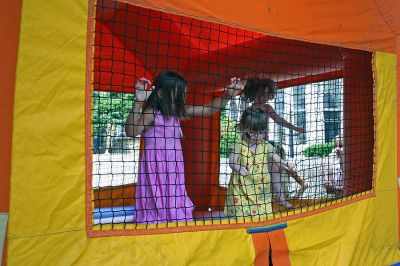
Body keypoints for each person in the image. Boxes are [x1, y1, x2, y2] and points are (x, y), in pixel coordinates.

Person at [125, 70, 244, 224]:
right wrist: (138, 102)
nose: (183, 98)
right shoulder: (152, 113)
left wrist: (228, 95)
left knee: (174, 198)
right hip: (156, 167)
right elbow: (131, 131)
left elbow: (208, 109)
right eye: (179, 94)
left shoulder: (176, 112)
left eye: (184, 94)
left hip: (174, 168)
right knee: (155, 199)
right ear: (161, 94)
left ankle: (176, 223)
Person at [242, 77, 308, 208]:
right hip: (251, 148)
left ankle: (281, 198)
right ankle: (250, 200)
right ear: (255, 93)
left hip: (264, 146)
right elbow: (242, 130)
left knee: (274, 168)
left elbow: (279, 120)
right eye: (262, 94)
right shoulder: (248, 111)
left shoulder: (267, 108)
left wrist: (294, 128)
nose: (265, 97)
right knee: (252, 174)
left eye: (268, 94)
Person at [224, 108, 300, 220]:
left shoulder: (265, 145)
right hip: (242, 187)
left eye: (261, 133)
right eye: (252, 132)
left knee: (263, 214)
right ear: (242, 127)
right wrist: (238, 167)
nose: (256, 136)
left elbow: (276, 158)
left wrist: (286, 164)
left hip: (261, 187)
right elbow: (232, 162)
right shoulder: (238, 144)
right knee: (242, 214)